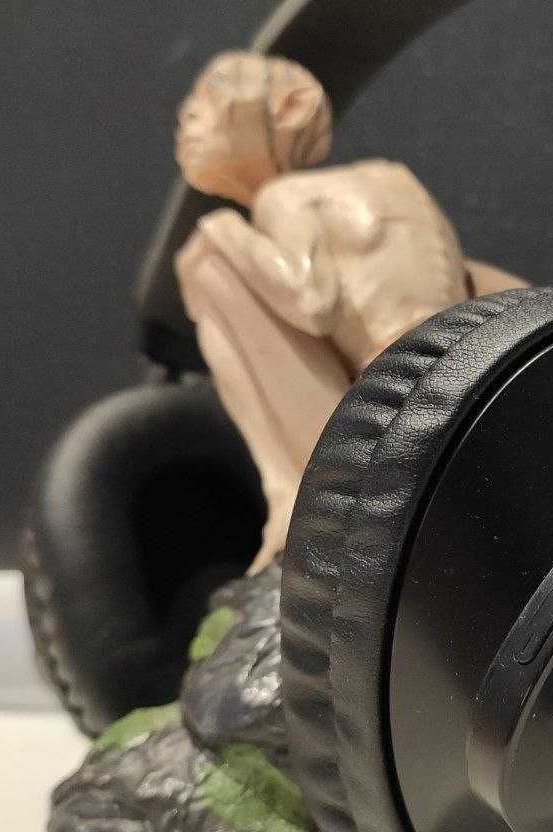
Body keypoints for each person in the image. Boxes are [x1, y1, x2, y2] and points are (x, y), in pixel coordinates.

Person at [174, 51, 525, 570]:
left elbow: (311, 302)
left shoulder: (282, 197)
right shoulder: (390, 177)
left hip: (401, 397)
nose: (187, 114)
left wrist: (225, 233)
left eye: (213, 93)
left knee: (205, 262)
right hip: (484, 363)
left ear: (289, 108)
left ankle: (296, 498)